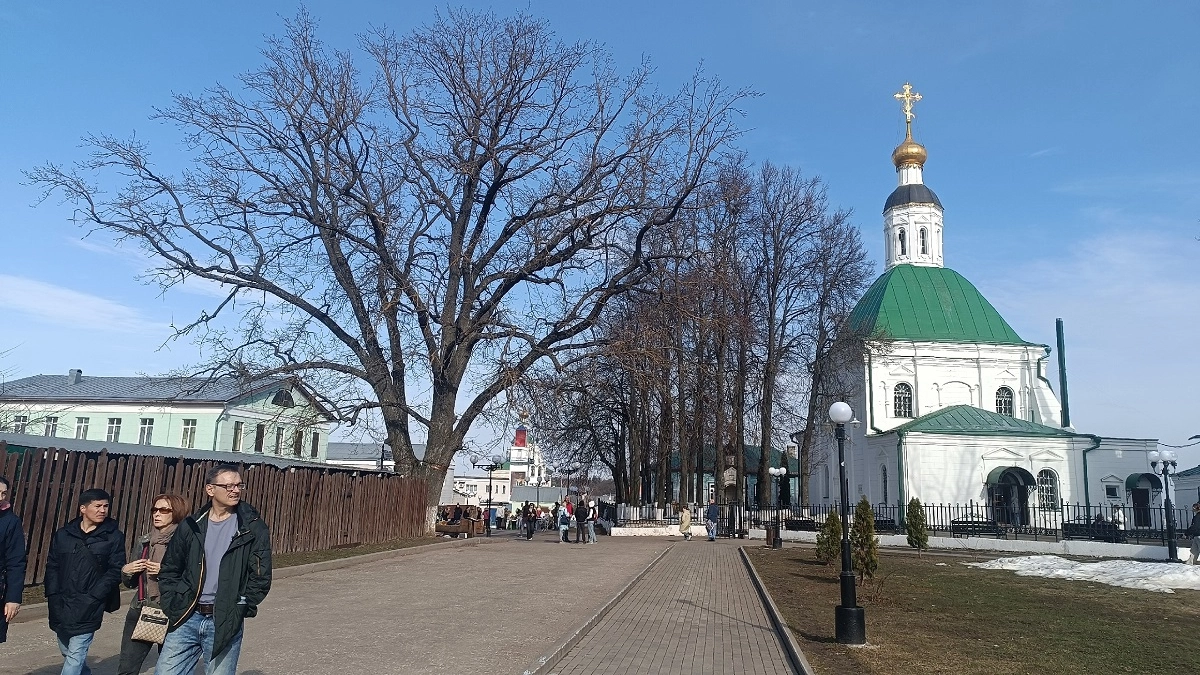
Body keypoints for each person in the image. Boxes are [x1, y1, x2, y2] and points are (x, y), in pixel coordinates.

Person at [155, 464, 271, 675]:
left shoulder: (252, 527)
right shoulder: (191, 525)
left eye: (239, 485)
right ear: (210, 489)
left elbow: (261, 576)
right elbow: (170, 568)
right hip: (186, 616)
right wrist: (172, 603)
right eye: (228, 486)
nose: (235, 490)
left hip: (224, 619)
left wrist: (240, 606)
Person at [45, 488, 126, 675]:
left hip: (90, 603)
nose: (102, 510)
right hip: (61, 601)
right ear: (83, 508)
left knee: (76, 652)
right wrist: (52, 593)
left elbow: (116, 569)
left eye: (105, 506)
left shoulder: (113, 536)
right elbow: (52, 565)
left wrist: (95, 595)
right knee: (66, 648)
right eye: (97, 506)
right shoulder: (64, 535)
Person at [116, 493, 188, 675]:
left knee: (170, 670)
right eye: (155, 510)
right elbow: (131, 583)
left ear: (176, 512)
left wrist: (165, 571)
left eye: (163, 510)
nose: (157, 514)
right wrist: (127, 571)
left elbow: (194, 579)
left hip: (173, 611)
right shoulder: (145, 541)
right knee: (126, 669)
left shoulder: (186, 542)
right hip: (141, 608)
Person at [0, 476, 28, 644]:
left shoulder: (10, 522)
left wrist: (13, 598)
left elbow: (16, 562)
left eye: (3, 493)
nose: (0, 497)